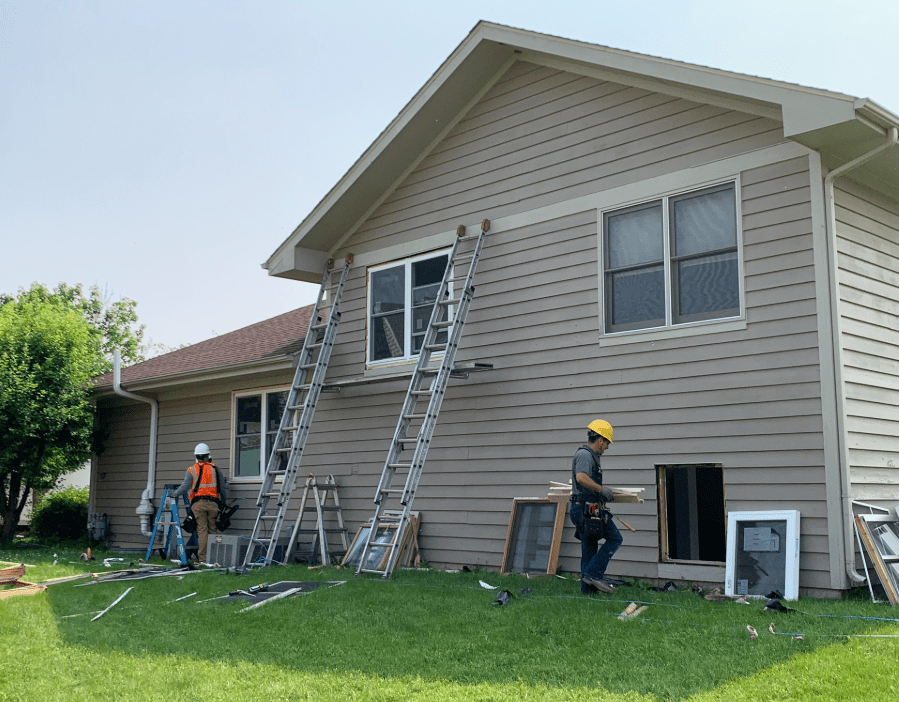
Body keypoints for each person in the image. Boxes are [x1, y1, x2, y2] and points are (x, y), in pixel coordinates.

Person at [569, 419, 623, 594]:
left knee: (589, 549)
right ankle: (594, 574)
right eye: (607, 443)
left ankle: (588, 592)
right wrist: (602, 490)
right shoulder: (585, 455)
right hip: (585, 510)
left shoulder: (591, 456)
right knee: (615, 538)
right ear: (600, 440)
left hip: (587, 509)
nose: (607, 447)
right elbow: (581, 478)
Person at [172, 443, 227, 564]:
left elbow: (185, 487)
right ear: (208, 456)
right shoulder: (216, 469)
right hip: (214, 505)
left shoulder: (192, 470)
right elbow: (223, 488)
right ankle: (215, 558)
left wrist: (174, 494)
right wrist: (223, 503)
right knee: (213, 530)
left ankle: (203, 559)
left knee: (202, 531)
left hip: (199, 505)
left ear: (196, 456)